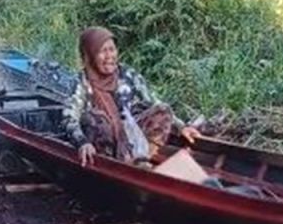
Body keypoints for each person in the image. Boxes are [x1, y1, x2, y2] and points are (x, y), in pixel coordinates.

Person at [62, 27, 200, 167]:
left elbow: (152, 100)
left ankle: (143, 159)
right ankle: (116, 163)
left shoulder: (126, 74)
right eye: (103, 51)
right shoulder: (82, 82)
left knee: (163, 110)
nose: (110, 56)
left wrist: (181, 127)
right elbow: (69, 118)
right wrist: (82, 143)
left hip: (130, 133)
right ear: (90, 55)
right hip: (102, 140)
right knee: (96, 118)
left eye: (112, 49)